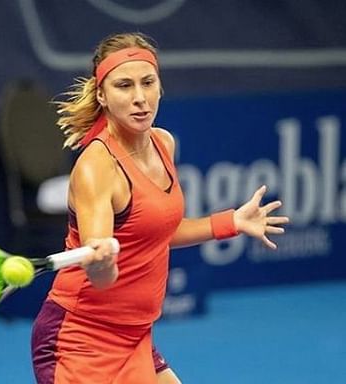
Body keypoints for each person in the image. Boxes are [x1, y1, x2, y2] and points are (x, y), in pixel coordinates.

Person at [31, 32, 289, 384]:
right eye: (124, 86)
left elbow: (156, 233)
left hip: (135, 334)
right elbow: (99, 279)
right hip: (81, 339)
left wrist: (231, 221)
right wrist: (102, 261)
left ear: (159, 86)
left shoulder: (163, 143)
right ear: (102, 95)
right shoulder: (97, 167)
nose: (140, 98)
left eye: (147, 83)